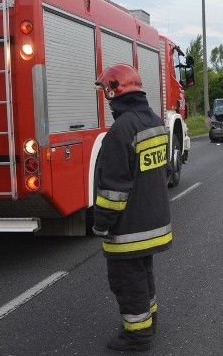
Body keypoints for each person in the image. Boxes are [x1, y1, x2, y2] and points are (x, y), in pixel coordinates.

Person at [93, 63, 172, 351]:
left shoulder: (121, 129)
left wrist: (101, 223)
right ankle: (149, 322)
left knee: (127, 282)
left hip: (129, 229)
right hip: (154, 221)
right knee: (143, 274)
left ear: (115, 91)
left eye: (105, 90)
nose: (105, 96)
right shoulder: (153, 120)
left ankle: (137, 337)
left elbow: (114, 189)